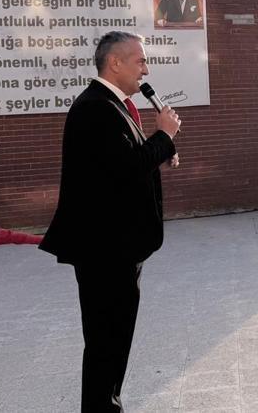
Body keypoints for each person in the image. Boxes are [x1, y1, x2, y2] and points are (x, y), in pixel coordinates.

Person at [40, 31, 181, 412]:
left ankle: (107, 405)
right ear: (114, 63)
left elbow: (122, 165)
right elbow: (125, 169)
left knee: (114, 338)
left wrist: (160, 151)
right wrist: (164, 137)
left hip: (117, 245)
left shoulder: (111, 105)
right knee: (107, 340)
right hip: (105, 248)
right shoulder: (95, 108)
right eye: (140, 61)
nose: (146, 69)